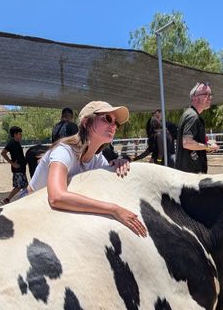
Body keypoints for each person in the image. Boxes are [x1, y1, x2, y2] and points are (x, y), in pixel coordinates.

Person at [27, 101, 146, 237]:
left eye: (116, 123)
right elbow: (56, 197)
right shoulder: (64, 151)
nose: (113, 125)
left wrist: (117, 164)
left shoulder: (98, 159)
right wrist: (114, 209)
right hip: (32, 209)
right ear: (85, 122)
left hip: (53, 214)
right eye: (107, 118)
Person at [175, 83, 219, 174]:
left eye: (210, 95)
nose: (209, 98)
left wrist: (205, 144)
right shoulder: (193, 116)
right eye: (206, 95)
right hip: (191, 175)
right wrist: (208, 147)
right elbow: (187, 143)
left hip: (188, 172)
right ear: (195, 99)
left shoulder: (190, 114)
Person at [0, 126, 27, 204]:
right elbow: (3, 153)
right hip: (17, 169)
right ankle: (6, 200)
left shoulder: (17, 143)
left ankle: (25, 200)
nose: (21, 135)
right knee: (18, 186)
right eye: (19, 134)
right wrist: (12, 163)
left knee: (25, 185)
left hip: (21, 168)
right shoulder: (11, 143)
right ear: (15, 134)